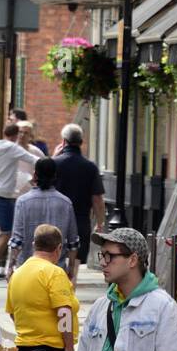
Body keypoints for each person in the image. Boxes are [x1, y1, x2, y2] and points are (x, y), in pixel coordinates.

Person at [75, 228, 177, 351]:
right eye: (102, 255)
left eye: (110, 256)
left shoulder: (162, 306)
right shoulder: (100, 306)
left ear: (132, 260)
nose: (102, 262)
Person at [5, 224, 78, 351]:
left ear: (34, 245)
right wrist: (69, 349)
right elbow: (63, 312)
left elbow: (12, 312)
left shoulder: (17, 275)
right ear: (59, 248)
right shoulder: (54, 273)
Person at [0, 123, 42, 280]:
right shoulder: (13, 148)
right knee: (6, 233)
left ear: (3, 132)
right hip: (5, 196)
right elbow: (33, 159)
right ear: (15, 135)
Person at [53, 124, 107, 285]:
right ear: (81, 142)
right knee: (75, 260)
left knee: (55, 254)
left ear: (63, 141)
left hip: (56, 218)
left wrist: (53, 156)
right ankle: (71, 289)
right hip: (80, 219)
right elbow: (97, 198)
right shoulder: (90, 167)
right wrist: (100, 222)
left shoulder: (54, 163)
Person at [10, 158, 78, 271]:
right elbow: (73, 242)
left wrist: (10, 266)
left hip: (27, 269)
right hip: (56, 269)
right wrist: (71, 268)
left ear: (35, 175)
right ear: (55, 175)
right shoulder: (66, 203)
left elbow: (17, 240)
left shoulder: (22, 201)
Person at [14, 121, 45, 196]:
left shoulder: (36, 152)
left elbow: (45, 170)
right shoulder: (9, 150)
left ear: (30, 136)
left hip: (29, 195)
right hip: (11, 195)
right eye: (20, 132)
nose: (22, 135)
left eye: (26, 133)